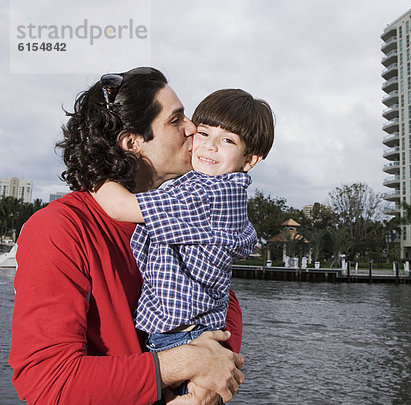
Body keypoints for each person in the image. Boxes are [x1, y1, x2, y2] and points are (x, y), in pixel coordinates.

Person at [9, 67, 244, 405]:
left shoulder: (175, 212)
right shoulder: (59, 229)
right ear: (132, 143)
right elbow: (47, 383)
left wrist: (213, 370)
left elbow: (222, 294)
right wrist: (187, 362)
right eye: (177, 120)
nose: (193, 128)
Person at [92, 89, 275, 396]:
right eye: (203, 133)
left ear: (250, 159)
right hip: (191, 331)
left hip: (179, 337)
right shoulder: (212, 186)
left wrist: (92, 170)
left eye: (227, 140)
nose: (209, 146)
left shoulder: (204, 196)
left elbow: (120, 207)